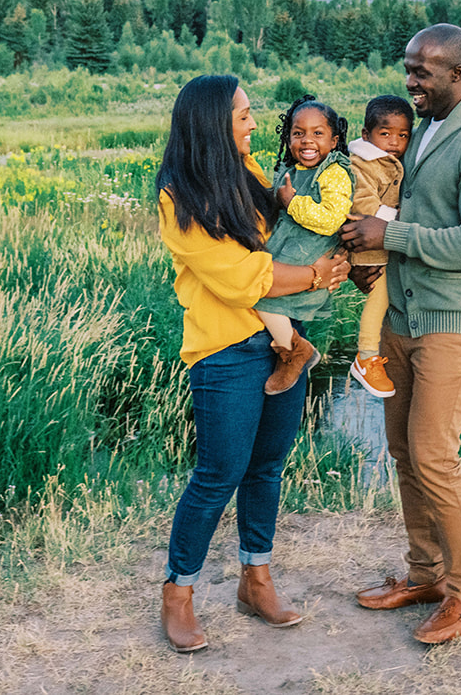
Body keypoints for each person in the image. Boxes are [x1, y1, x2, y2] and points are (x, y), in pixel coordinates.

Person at [340, 24, 461, 645]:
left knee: (434, 456)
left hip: (453, 324)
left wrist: (388, 238)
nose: (410, 81)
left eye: (424, 71)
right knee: (403, 451)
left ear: (459, 75)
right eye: (409, 67)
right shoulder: (426, 130)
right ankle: (426, 574)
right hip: (402, 319)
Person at [155, 74, 351, 653]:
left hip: (283, 341)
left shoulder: (254, 174)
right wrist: (316, 276)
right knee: (219, 473)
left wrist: (336, 261)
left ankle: (255, 578)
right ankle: (178, 593)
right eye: (242, 114)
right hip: (224, 351)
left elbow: (287, 239)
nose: (253, 122)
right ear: (214, 122)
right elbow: (243, 278)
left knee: (267, 466)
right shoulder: (179, 195)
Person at [254, 96, 354, 395]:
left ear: (335, 141)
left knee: (263, 297)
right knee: (259, 289)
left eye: (317, 134)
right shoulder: (292, 167)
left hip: (310, 252)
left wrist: (292, 202)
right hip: (292, 248)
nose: (307, 141)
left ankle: (294, 351)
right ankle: (292, 346)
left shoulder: (334, 172)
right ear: (288, 137)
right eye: (298, 133)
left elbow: (332, 220)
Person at [345, 95, 412, 398]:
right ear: (366, 135)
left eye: (402, 135)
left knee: (388, 294)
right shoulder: (362, 163)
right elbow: (362, 202)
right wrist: (396, 221)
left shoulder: (389, 160)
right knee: (380, 295)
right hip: (368, 242)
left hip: (385, 242)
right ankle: (365, 355)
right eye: (385, 134)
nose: (394, 142)